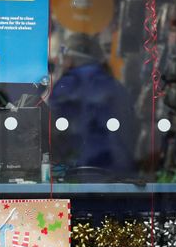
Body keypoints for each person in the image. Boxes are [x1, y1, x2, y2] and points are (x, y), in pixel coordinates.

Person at [49, 33, 137, 178]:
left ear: (70, 59)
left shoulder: (68, 84)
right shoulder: (116, 85)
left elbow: (54, 127)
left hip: (82, 168)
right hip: (120, 169)